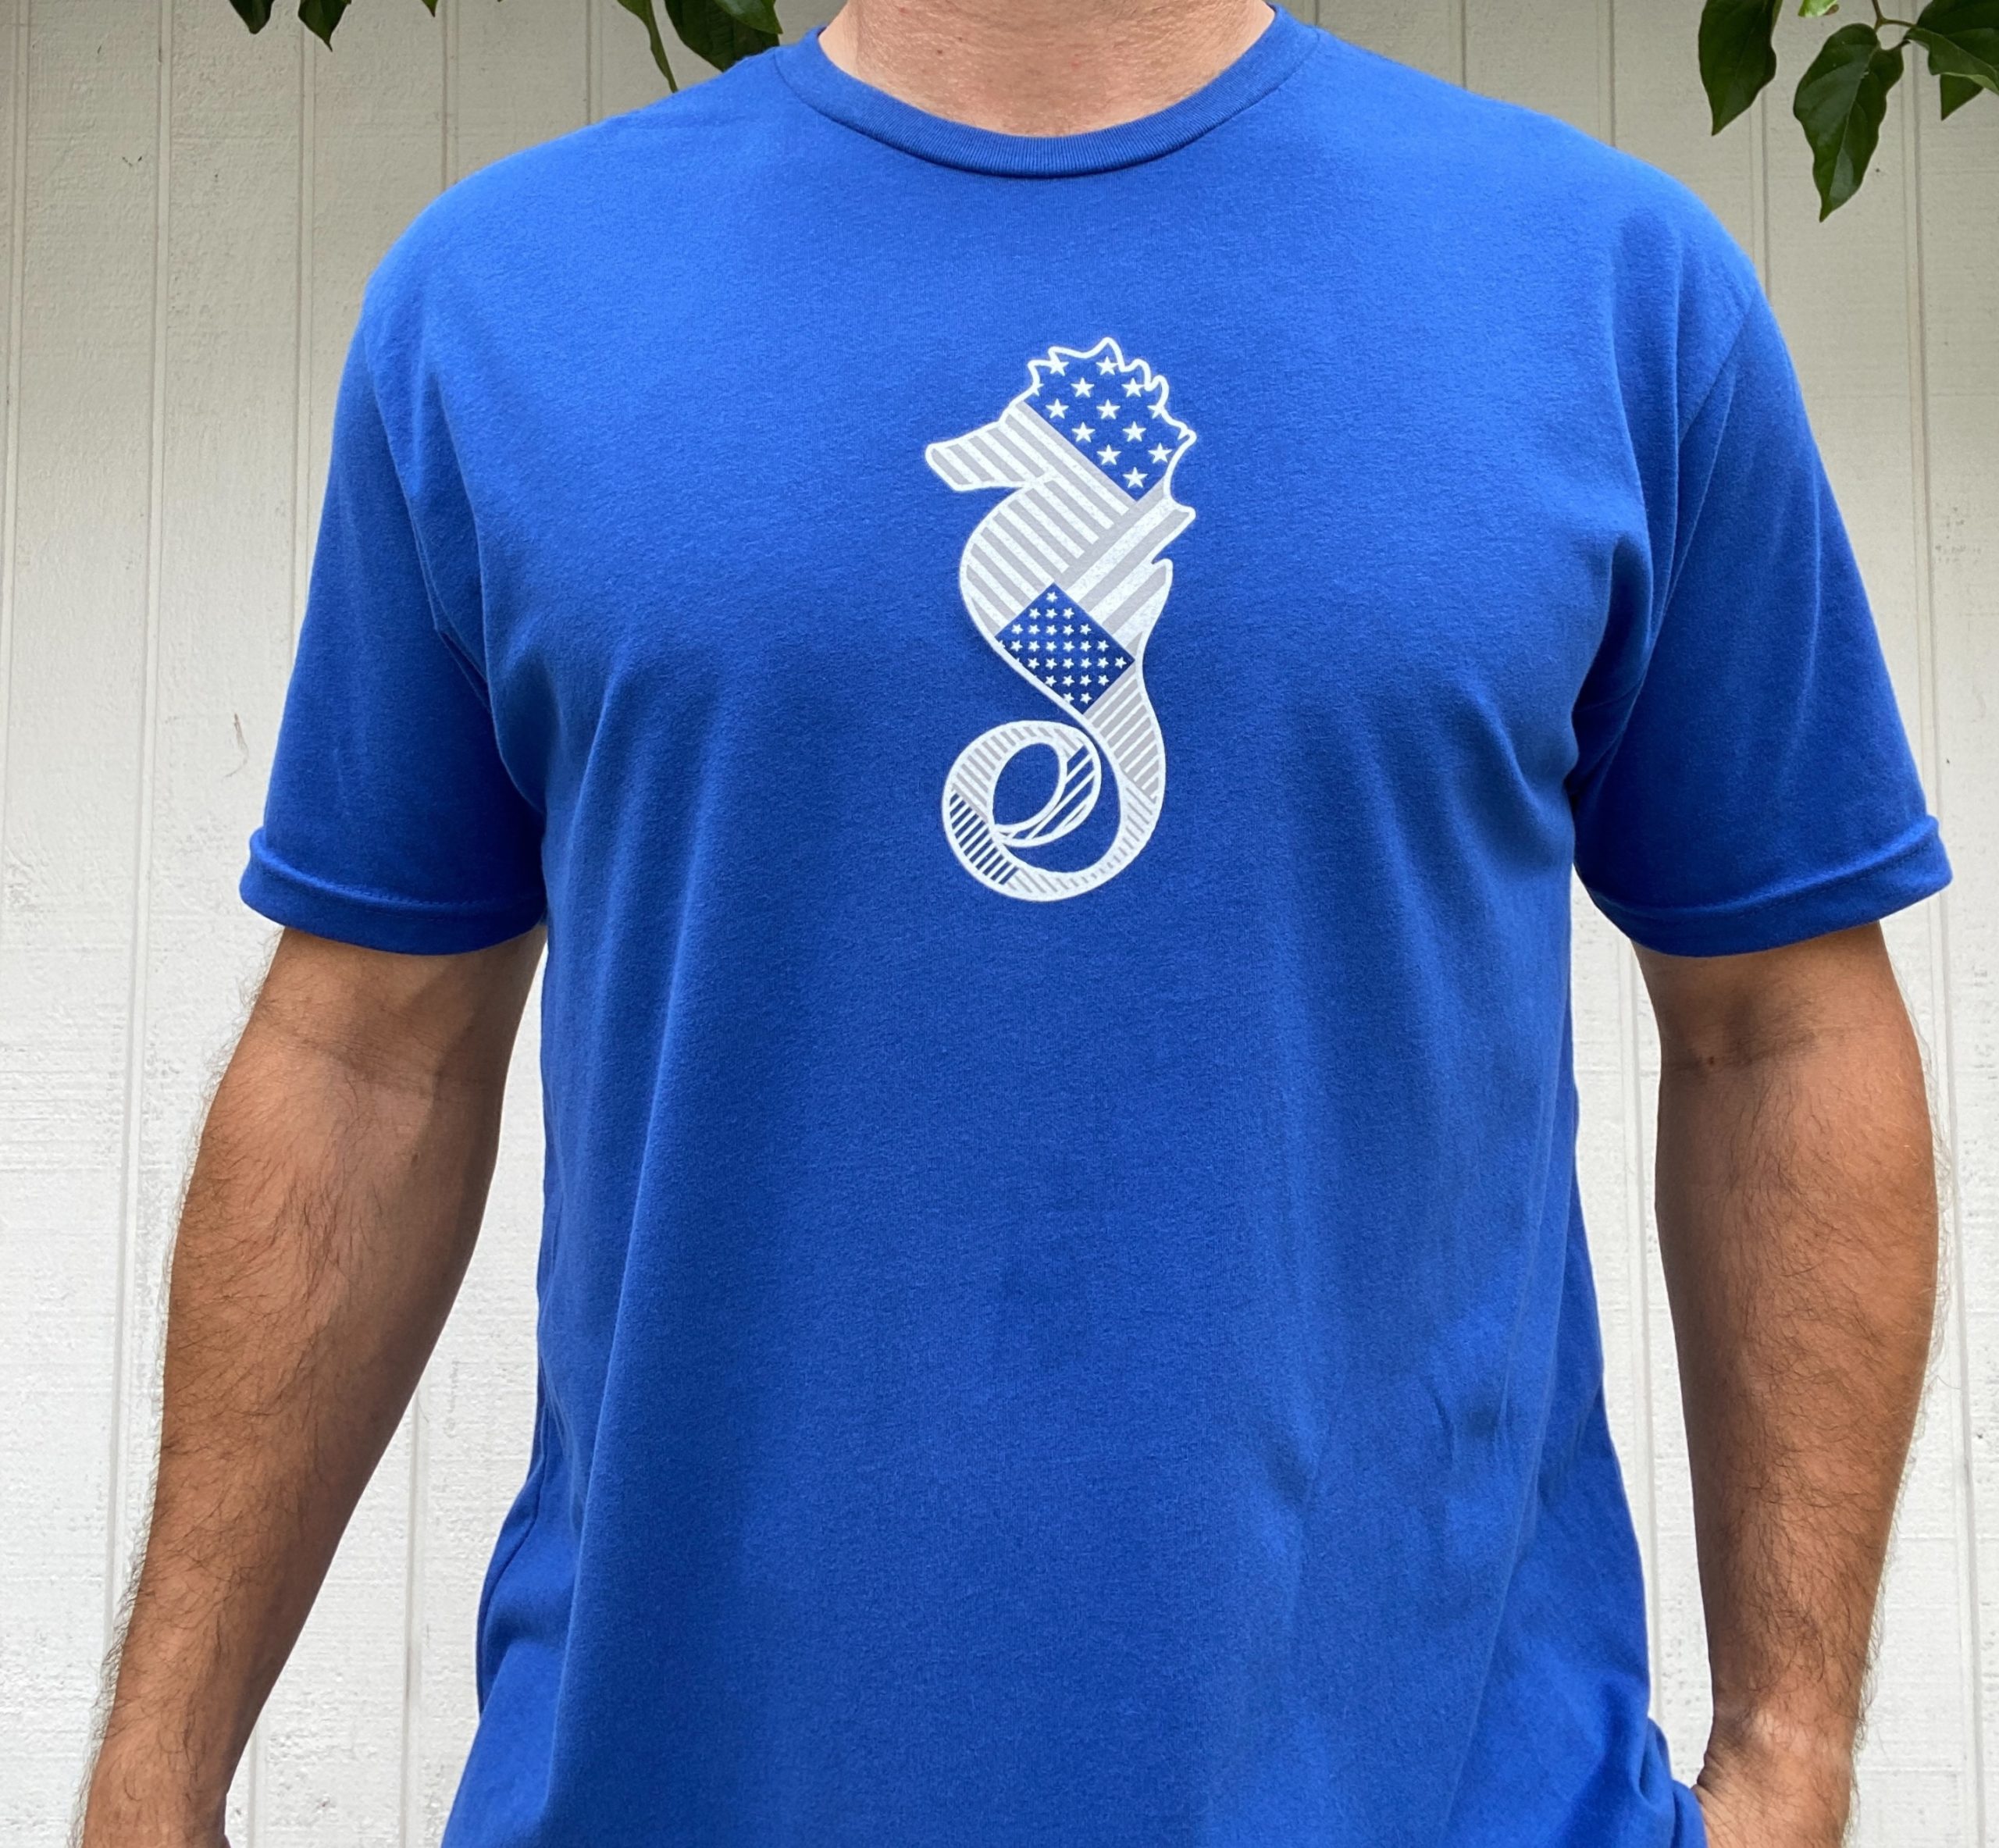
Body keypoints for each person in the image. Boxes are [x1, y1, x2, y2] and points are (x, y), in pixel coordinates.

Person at [80, 2, 1950, 1844]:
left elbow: (1776, 1022)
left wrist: (1786, 1760)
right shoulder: (501, 302)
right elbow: (362, 1059)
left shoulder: (1606, 291)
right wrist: (152, 1777)